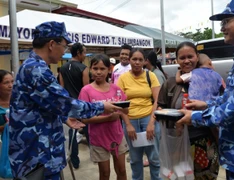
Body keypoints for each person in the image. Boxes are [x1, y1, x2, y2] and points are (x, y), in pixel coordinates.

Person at [8, 21, 122, 180]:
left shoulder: (33, 66)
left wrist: (64, 118)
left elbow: (47, 103)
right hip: (37, 157)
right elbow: (64, 103)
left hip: (39, 153)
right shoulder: (37, 71)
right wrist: (101, 106)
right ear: (52, 44)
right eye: (64, 45)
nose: (65, 51)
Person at [177, 1, 234, 180]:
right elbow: (230, 97)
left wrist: (195, 118)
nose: (222, 27)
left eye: (226, 21)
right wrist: (206, 104)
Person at [157, 42, 219, 179]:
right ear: (177, 60)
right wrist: (160, 112)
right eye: (182, 58)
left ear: (197, 57)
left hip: (203, 140)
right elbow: (160, 105)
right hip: (177, 143)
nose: (186, 61)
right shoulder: (170, 83)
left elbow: (223, 106)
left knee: (204, 176)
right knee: (179, 176)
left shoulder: (208, 79)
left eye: (190, 56)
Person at [78, 54, 128, 180]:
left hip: (117, 135)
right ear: (90, 69)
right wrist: (108, 118)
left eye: (102, 68)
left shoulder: (116, 89)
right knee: (105, 173)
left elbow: (125, 111)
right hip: (98, 138)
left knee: (122, 171)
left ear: (109, 69)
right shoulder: (86, 91)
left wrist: (125, 108)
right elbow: (84, 119)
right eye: (95, 68)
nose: (98, 72)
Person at [117, 48, 162, 180]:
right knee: (135, 159)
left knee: (154, 157)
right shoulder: (123, 78)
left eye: (140, 60)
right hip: (130, 120)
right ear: (129, 60)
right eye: (134, 59)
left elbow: (157, 100)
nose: (137, 62)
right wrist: (128, 124)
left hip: (149, 117)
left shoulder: (151, 76)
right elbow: (121, 104)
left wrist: (151, 123)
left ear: (145, 61)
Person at [59, 42, 89, 169]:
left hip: (68, 103)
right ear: (78, 53)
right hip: (81, 103)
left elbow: (61, 88)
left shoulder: (63, 68)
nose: (85, 55)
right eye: (84, 52)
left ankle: (74, 160)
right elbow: (86, 89)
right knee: (88, 128)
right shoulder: (83, 68)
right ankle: (95, 153)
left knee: (72, 132)